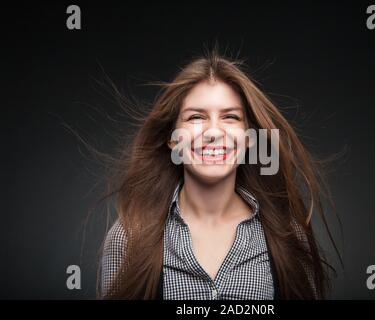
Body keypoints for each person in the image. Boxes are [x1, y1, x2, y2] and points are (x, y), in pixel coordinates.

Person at [99, 48, 336, 300]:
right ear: (171, 139)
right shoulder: (129, 238)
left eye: (230, 117)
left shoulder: (287, 236)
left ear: (248, 139)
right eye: (196, 117)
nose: (213, 132)